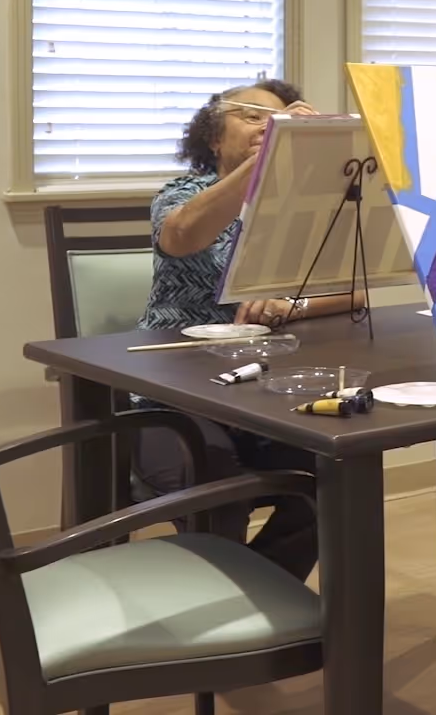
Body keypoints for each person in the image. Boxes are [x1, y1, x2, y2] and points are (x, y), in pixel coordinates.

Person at [131, 78, 362, 580]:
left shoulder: (299, 205)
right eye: (253, 117)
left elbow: (356, 290)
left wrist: (290, 306)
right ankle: (229, 613)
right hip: (172, 394)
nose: (267, 127)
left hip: (263, 393)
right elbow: (181, 236)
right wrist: (263, 164)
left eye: (278, 120)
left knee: (344, 470)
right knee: (215, 482)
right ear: (214, 138)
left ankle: (261, 592)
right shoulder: (182, 194)